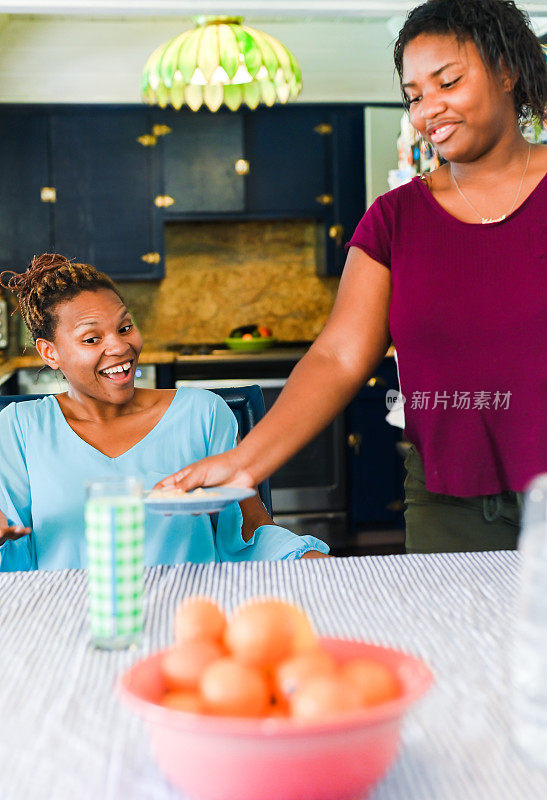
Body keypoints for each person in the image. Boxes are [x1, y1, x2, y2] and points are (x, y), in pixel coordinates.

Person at [157, 0, 547, 554]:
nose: (427, 110)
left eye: (448, 82)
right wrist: (243, 464)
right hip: (450, 505)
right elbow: (340, 355)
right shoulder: (395, 218)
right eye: (414, 96)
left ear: (507, 71)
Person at [0, 254, 329, 571]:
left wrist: (307, 560)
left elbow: (249, 532)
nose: (119, 347)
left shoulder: (202, 415)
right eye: (91, 339)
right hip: (68, 619)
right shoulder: (19, 430)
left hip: (191, 613)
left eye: (125, 328)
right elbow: (15, 560)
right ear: (50, 352)